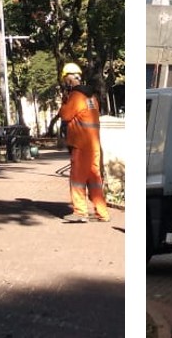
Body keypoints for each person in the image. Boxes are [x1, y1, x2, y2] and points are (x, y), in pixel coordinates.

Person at [58, 62, 110, 223]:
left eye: (65, 79)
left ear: (69, 79)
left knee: (78, 179)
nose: (65, 83)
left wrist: (64, 101)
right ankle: (102, 213)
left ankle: (80, 212)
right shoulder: (92, 97)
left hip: (81, 144)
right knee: (94, 180)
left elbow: (65, 115)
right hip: (94, 144)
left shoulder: (75, 96)